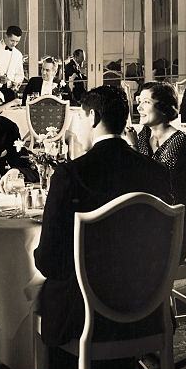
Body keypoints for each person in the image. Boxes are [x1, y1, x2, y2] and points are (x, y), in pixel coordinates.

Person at [34, 84, 173, 348]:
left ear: (93, 118)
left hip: (84, 317)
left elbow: (49, 262)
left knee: (27, 294)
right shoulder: (156, 172)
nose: (77, 129)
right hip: (144, 309)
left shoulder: (70, 175)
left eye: (79, 119)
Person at [130, 81, 186, 255]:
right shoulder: (145, 134)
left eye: (146, 102)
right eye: (139, 101)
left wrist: (131, 147)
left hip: (176, 222)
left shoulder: (178, 141)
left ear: (163, 107)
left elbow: (154, 180)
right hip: (154, 214)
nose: (139, 107)